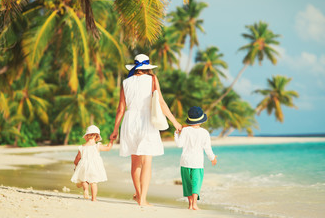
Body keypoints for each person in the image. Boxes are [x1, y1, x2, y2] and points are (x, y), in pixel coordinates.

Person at [110, 54, 182, 206]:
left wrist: (115, 129)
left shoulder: (125, 82)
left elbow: (121, 108)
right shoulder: (152, 79)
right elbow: (161, 103)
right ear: (147, 67)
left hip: (129, 122)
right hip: (146, 121)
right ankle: (142, 199)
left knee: (135, 162)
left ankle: (139, 196)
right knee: (147, 162)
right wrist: (175, 122)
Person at [174, 106, 217, 210]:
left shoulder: (185, 130)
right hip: (197, 163)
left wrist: (176, 134)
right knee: (196, 183)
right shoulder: (205, 133)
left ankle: (190, 204)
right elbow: (207, 148)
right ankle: (195, 204)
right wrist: (212, 158)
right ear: (201, 120)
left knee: (187, 183)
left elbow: (179, 145)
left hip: (185, 161)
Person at [71, 125, 115, 201]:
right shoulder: (97, 146)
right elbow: (108, 148)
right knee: (93, 182)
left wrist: (75, 164)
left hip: (84, 166)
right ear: (96, 136)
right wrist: (111, 141)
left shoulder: (82, 147)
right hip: (94, 167)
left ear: (86, 136)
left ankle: (86, 190)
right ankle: (94, 198)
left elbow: (77, 158)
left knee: (84, 180)